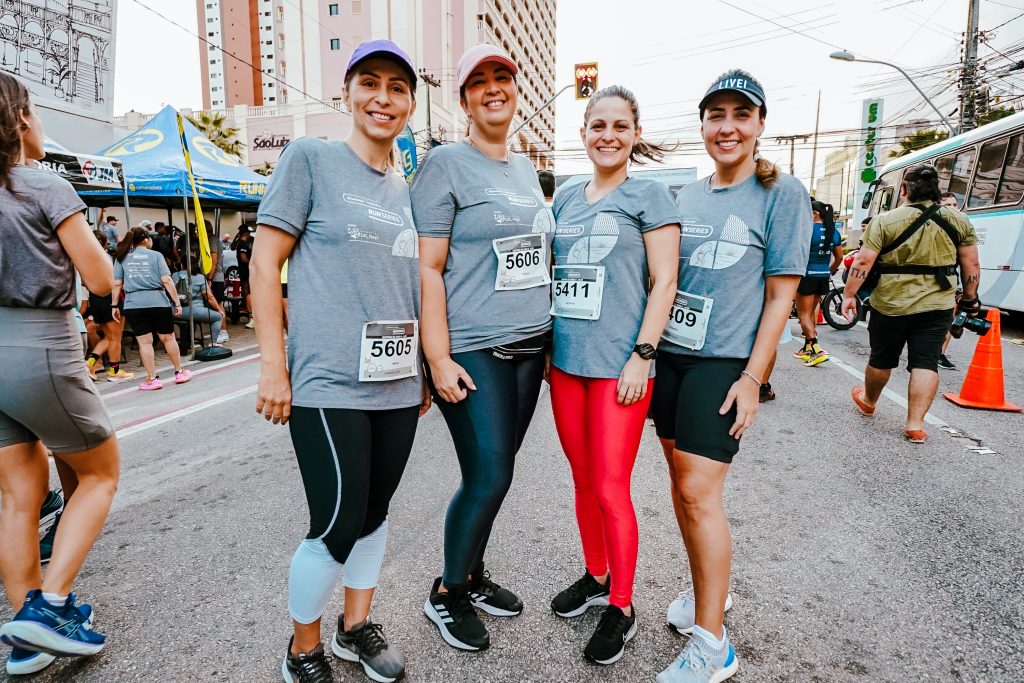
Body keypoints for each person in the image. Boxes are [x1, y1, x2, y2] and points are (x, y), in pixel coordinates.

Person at [253, 39, 428, 683]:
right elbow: (264, 261)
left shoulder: (404, 185)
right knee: (337, 516)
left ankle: (356, 629)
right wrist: (275, 365)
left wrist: (425, 369)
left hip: (399, 380)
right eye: (370, 83)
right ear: (347, 94)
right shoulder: (311, 159)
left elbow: (413, 283)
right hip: (328, 379)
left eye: (398, 88)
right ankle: (303, 648)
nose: (383, 98)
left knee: (376, 512)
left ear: (411, 103)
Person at [652, 70, 811, 683]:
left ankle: (712, 646)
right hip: (672, 358)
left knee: (700, 493)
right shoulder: (685, 199)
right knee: (681, 485)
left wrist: (753, 376)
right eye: (716, 114)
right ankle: (701, 601)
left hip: (723, 361)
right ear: (702, 125)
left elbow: (780, 299)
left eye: (741, 115)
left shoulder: (782, 194)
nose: (727, 126)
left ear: (760, 124)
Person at [412, 43, 554, 652]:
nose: (493, 88)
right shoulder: (444, 166)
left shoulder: (522, 170)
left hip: (529, 345)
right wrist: (436, 357)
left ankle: (471, 573)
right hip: (472, 347)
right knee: (489, 474)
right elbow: (426, 267)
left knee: (497, 473)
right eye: (479, 81)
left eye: (503, 77)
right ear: (464, 99)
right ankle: (446, 593)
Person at [547, 85, 680, 665]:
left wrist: (642, 355)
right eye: (597, 125)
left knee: (610, 484)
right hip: (566, 363)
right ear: (582, 133)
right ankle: (596, 575)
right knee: (580, 479)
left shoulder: (649, 194)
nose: (607, 135)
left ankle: (622, 606)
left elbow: (665, 282)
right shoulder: (566, 199)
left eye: (620, 126)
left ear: (635, 133)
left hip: (619, 368)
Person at [0, 71, 119, 676]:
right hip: (41, 344)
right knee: (98, 473)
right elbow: (100, 280)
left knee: (18, 499)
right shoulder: (42, 186)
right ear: (19, 121)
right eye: (36, 114)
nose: (41, 126)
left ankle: (25, 638)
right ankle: (48, 608)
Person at [843, 163, 980, 443]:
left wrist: (848, 295)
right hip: (937, 304)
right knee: (926, 363)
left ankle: (869, 401)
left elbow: (864, 261)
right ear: (936, 190)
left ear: (904, 190)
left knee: (881, 359)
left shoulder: (884, 221)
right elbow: (971, 263)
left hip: (890, 302)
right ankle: (915, 424)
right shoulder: (959, 220)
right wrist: (969, 298)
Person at [112, 227, 192, 390]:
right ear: (147, 239)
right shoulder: (156, 256)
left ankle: (153, 379)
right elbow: (167, 281)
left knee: (145, 342)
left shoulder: (122, 258)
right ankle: (179, 372)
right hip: (158, 302)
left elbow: (117, 284)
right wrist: (177, 302)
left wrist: (114, 305)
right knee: (168, 338)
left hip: (134, 304)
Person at [792, 200, 843, 367]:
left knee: (803, 315)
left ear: (815, 213)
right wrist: (830, 271)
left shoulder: (807, 230)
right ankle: (807, 349)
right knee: (811, 313)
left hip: (807, 274)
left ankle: (817, 349)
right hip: (822, 276)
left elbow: (797, 254)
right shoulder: (832, 231)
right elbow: (839, 258)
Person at [85, 230, 133, 381]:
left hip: (95, 298)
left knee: (108, 337)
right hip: (110, 298)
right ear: (105, 242)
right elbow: (114, 281)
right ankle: (114, 371)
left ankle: (89, 365)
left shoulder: (85, 257)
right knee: (115, 338)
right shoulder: (105, 257)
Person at [176, 256, 227, 347]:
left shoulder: (174, 275)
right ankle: (213, 343)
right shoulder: (200, 278)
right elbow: (209, 297)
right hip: (194, 311)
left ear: (182, 264)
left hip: (176, 311)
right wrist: (219, 309)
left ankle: (188, 343)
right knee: (218, 317)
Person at [205, 220, 226, 304]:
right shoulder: (212, 240)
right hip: (215, 278)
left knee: (217, 305)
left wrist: (209, 279)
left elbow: (214, 261)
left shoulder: (212, 240)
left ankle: (222, 317)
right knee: (216, 305)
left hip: (215, 279)